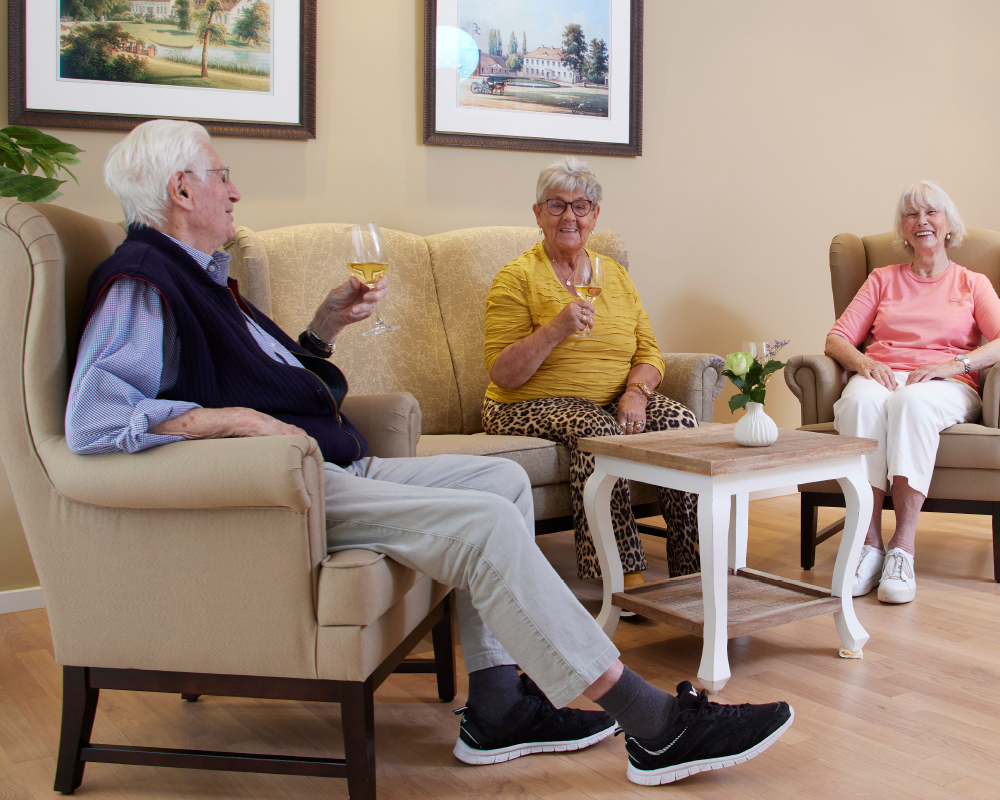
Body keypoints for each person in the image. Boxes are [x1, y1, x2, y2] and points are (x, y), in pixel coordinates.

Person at [65, 119, 792, 786]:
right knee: (482, 524)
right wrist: (231, 423)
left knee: (500, 480)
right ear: (180, 188)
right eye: (221, 175)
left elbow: (275, 378)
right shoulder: (144, 279)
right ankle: (654, 724)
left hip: (331, 463)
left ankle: (499, 705)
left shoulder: (203, 276)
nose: (235, 189)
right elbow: (95, 419)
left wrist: (321, 328)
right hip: (284, 485)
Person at [483, 156, 700, 585]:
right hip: (522, 404)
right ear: (538, 214)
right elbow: (502, 374)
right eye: (557, 205)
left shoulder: (614, 276)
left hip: (609, 399)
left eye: (581, 206)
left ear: (595, 215)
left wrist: (636, 392)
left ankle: (691, 571)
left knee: (681, 423)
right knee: (598, 428)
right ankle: (620, 573)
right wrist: (557, 328)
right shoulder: (516, 278)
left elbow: (650, 354)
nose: (570, 216)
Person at [827, 180, 1000, 604]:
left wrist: (952, 365)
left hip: (945, 384)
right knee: (858, 400)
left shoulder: (971, 283)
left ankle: (902, 549)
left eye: (931, 213)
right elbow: (837, 339)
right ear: (902, 231)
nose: (921, 221)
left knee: (909, 402)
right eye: (911, 215)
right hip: (884, 375)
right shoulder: (882, 278)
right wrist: (864, 363)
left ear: (947, 225)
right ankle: (870, 547)